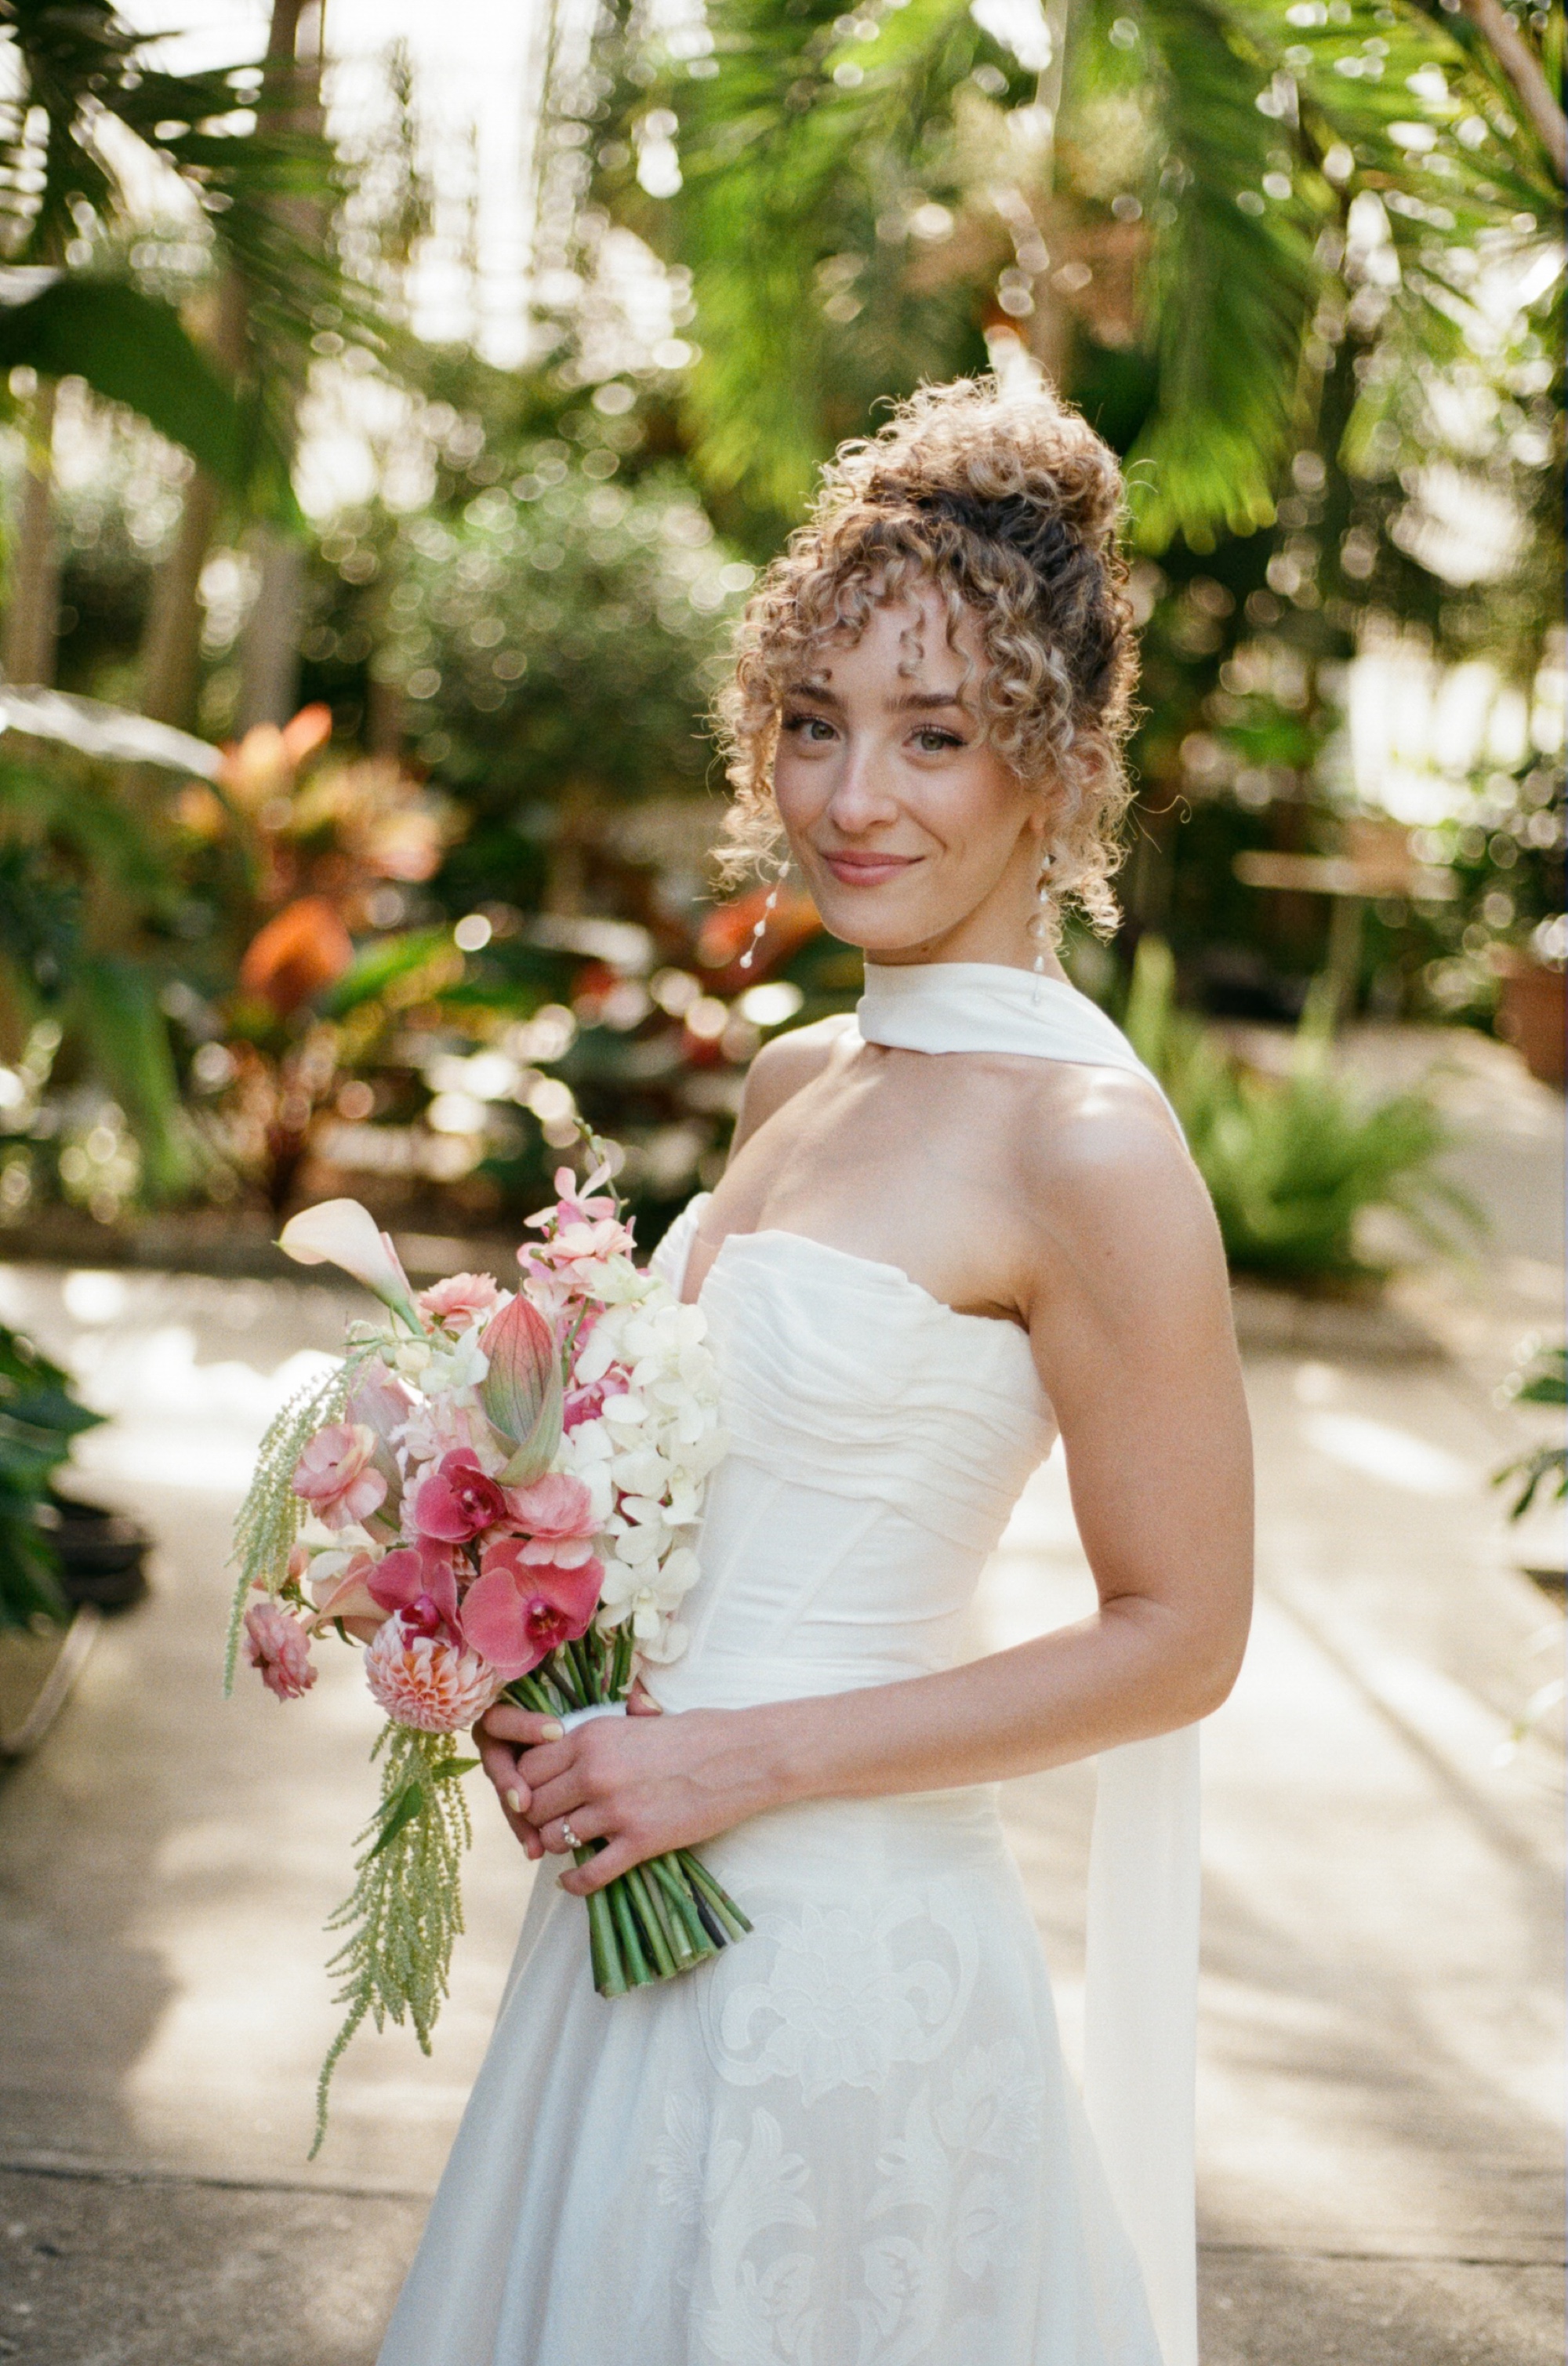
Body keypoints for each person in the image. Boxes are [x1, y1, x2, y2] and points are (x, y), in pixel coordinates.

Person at [377, 376, 1253, 2366]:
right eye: (814, 722)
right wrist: (536, 1658)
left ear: (1058, 763)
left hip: (850, 1966)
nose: (855, 798)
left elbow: (1182, 1634)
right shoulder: (798, 1078)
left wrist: (734, 1760)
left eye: (935, 734)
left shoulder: (1088, 1150)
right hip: (622, 1921)